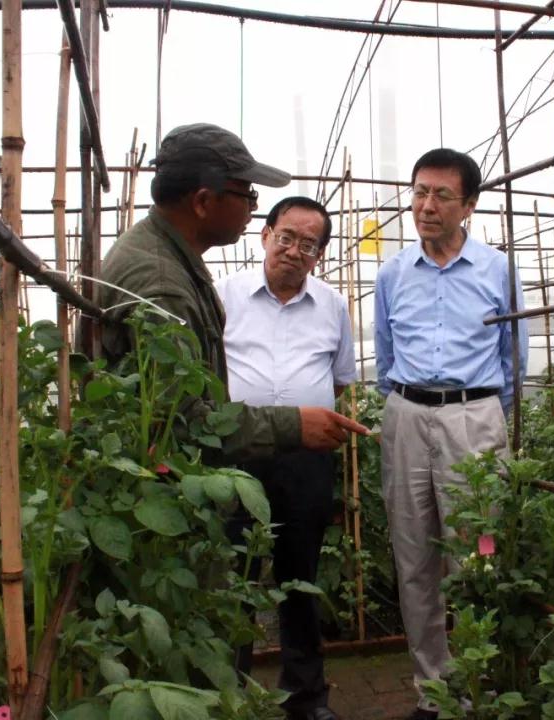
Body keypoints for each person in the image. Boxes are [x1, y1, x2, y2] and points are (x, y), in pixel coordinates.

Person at [96, 123, 367, 462]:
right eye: (247, 194)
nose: (253, 208)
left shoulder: (168, 258)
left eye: (308, 245)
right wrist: (293, 424)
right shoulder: (163, 285)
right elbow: (181, 424)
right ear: (203, 201)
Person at [373, 148, 528, 720]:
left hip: (474, 415)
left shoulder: (498, 270)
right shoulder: (392, 273)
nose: (426, 206)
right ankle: (433, 692)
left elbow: (514, 358)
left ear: (469, 205)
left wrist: (483, 414)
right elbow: (385, 355)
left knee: (476, 555)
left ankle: (478, 686)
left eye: (441, 195)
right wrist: (407, 405)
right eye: (419, 192)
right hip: (406, 414)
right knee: (413, 556)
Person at [216, 197, 355, 720]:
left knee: (301, 576)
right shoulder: (224, 296)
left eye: (309, 244)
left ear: (319, 255)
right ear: (265, 235)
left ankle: (306, 697)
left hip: (305, 459)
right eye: (287, 237)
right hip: (237, 455)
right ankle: (228, 693)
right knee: (234, 577)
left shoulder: (332, 306)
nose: (295, 251)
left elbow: (339, 379)